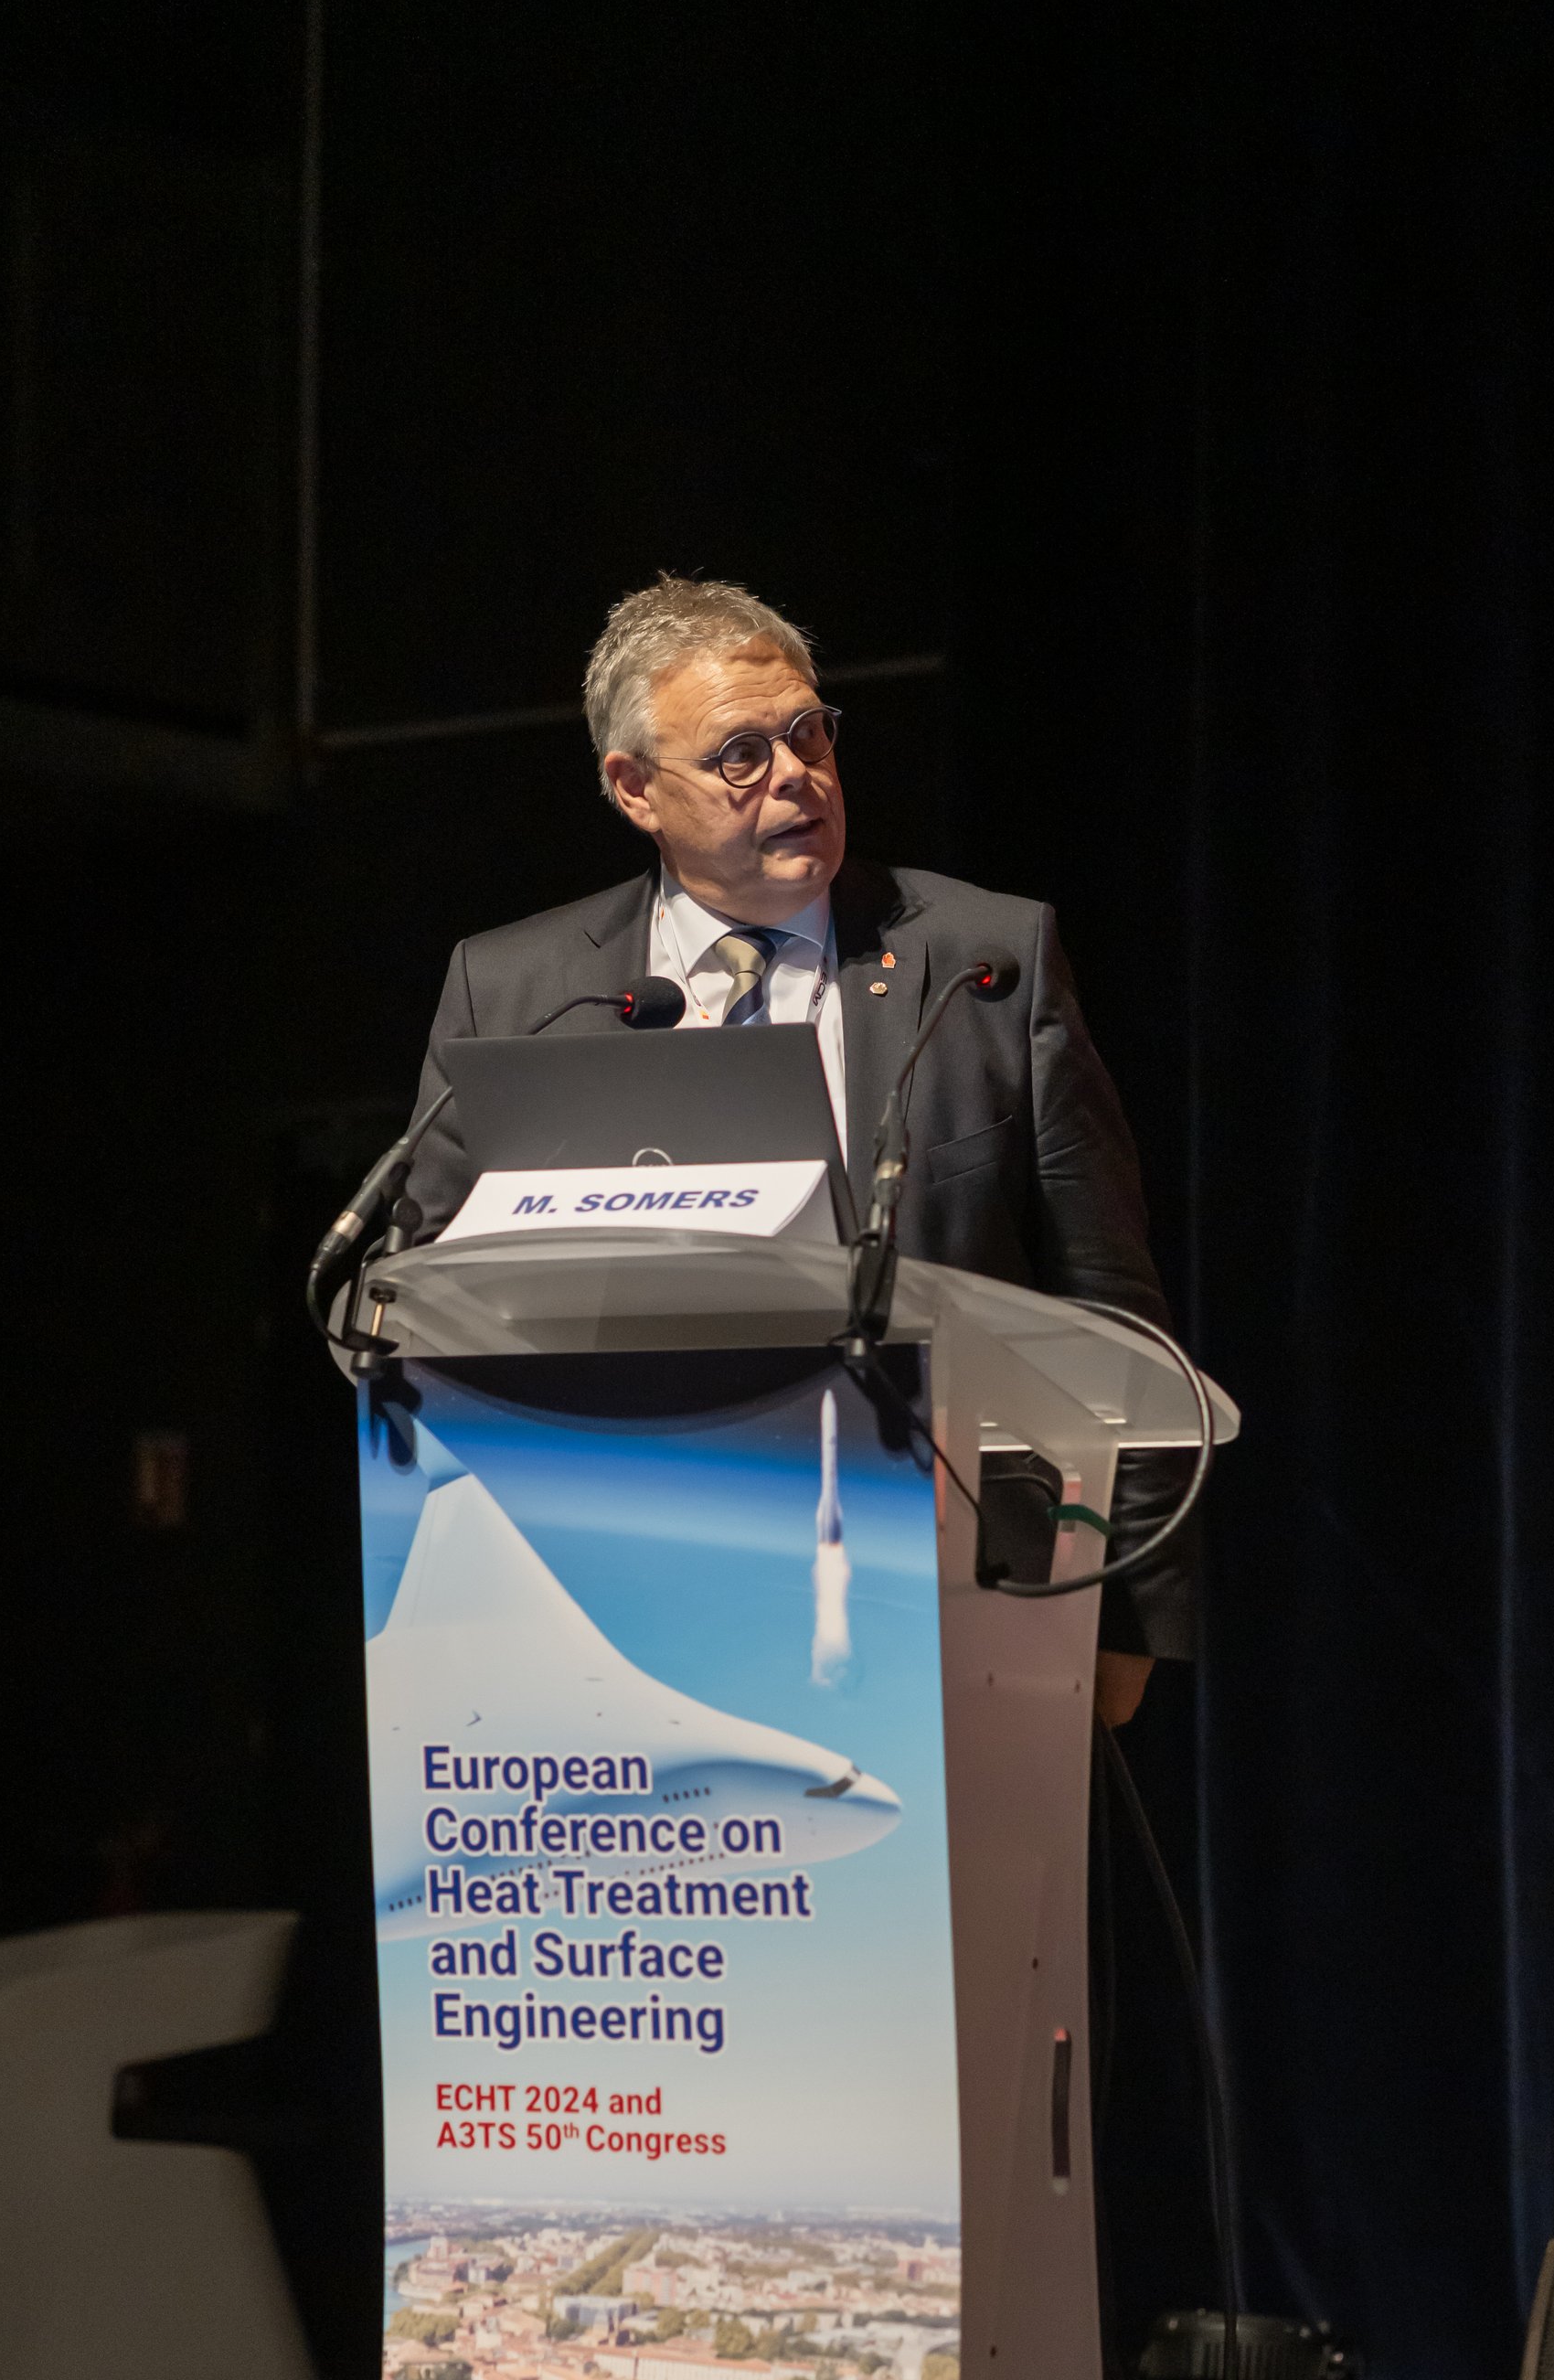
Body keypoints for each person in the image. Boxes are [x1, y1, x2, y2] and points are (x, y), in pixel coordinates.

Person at [403, 573, 1193, 1716]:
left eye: (809, 732)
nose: (796, 775)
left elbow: (1111, 1305)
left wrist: (1131, 1614)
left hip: (966, 1602)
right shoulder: (519, 988)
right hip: (608, 1611)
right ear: (633, 788)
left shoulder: (983, 963)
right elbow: (419, 1291)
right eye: (739, 754)